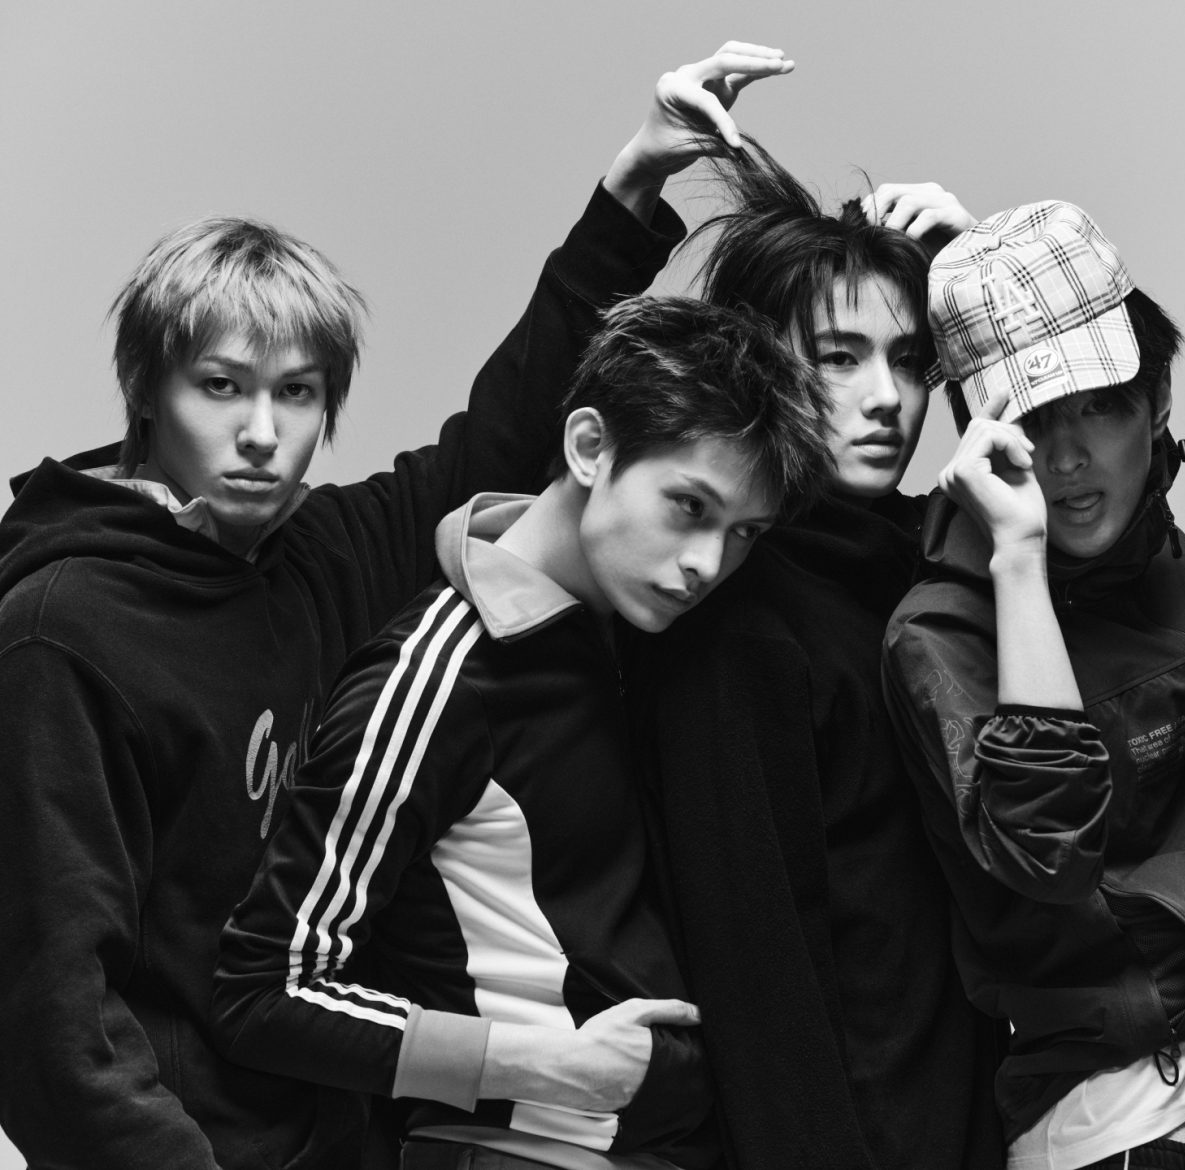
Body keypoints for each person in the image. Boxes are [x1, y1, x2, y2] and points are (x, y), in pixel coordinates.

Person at [0, 42, 791, 1170]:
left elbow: (507, 433)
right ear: (146, 394)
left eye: (297, 393)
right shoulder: (60, 630)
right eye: (220, 387)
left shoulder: (309, 555)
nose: (262, 433)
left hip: (351, 1134)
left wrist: (632, 188)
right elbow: (52, 1018)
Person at [212, 295, 832, 1170]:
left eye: (742, 535)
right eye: (689, 507)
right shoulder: (436, 677)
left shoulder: (624, 637)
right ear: (589, 447)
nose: (706, 563)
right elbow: (263, 991)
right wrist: (544, 1065)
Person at [618, 142, 1008, 1170]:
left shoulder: (928, 567)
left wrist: (980, 272)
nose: (888, 398)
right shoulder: (739, 620)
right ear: (759, 366)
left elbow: (1096, 491)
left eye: (913, 361)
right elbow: (758, 983)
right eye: (840, 357)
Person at [882, 201, 1185, 1170]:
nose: (1070, 455)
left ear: (1157, 402)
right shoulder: (940, 630)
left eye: (1100, 406)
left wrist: (991, 270)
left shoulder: (1170, 560)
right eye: (1034, 418)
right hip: (1125, 1120)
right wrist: (1018, 559)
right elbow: (1048, 858)